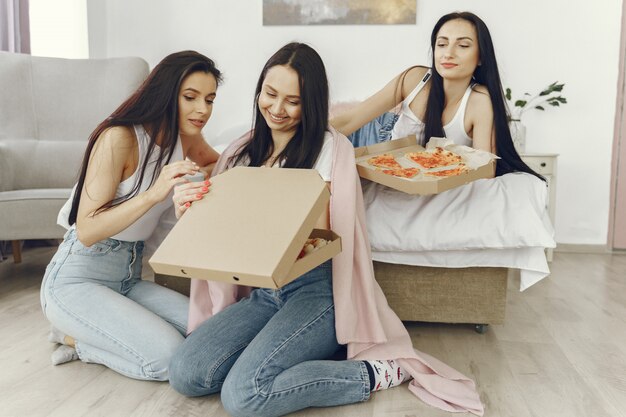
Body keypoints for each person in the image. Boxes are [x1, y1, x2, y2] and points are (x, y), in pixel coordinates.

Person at [169, 43, 484, 417]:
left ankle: (372, 373)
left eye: (293, 101)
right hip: (264, 293)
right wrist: (190, 212)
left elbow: (319, 240)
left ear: (311, 103)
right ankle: (282, 353)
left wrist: (259, 211)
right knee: (186, 374)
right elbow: (221, 231)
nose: (277, 109)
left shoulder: (330, 149)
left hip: (316, 291)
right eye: (269, 94)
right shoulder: (240, 152)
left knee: (244, 396)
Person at [40, 51, 222, 381]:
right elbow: (87, 228)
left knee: (211, 334)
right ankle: (73, 338)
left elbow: (223, 164)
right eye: (190, 97)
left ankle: (94, 331)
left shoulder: (188, 139)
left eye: (210, 99)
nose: (203, 110)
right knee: (167, 359)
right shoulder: (119, 138)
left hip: (129, 277)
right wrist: (155, 193)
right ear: (166, 92)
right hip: (77, 280)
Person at [331, 11, 542, 180]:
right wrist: (307, 134)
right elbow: (351, 119)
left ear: (480, 57)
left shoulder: (480, 100)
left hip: (419, 167)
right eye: (442, 44)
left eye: (463, 45)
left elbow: (484, 170)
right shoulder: (415, 78)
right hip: (378, 139)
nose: (448, 53)